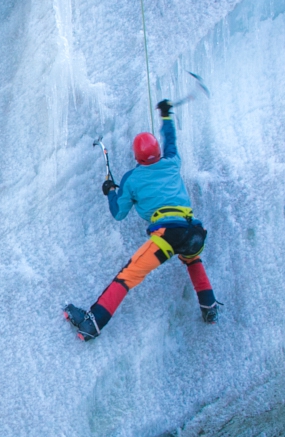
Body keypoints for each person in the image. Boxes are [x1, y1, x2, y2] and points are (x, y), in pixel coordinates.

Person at [65, 100, 220, 341]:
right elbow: (171, 140)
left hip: (168, 235)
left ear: (137, 157)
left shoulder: (132, 178)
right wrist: (166, 115)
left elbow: (119, 213)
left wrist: (110, 192)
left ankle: (91, 325)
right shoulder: (171, 162)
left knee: (128, 275)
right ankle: (210, 310)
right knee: (192, 258)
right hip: (194, 231)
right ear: (158, 151)